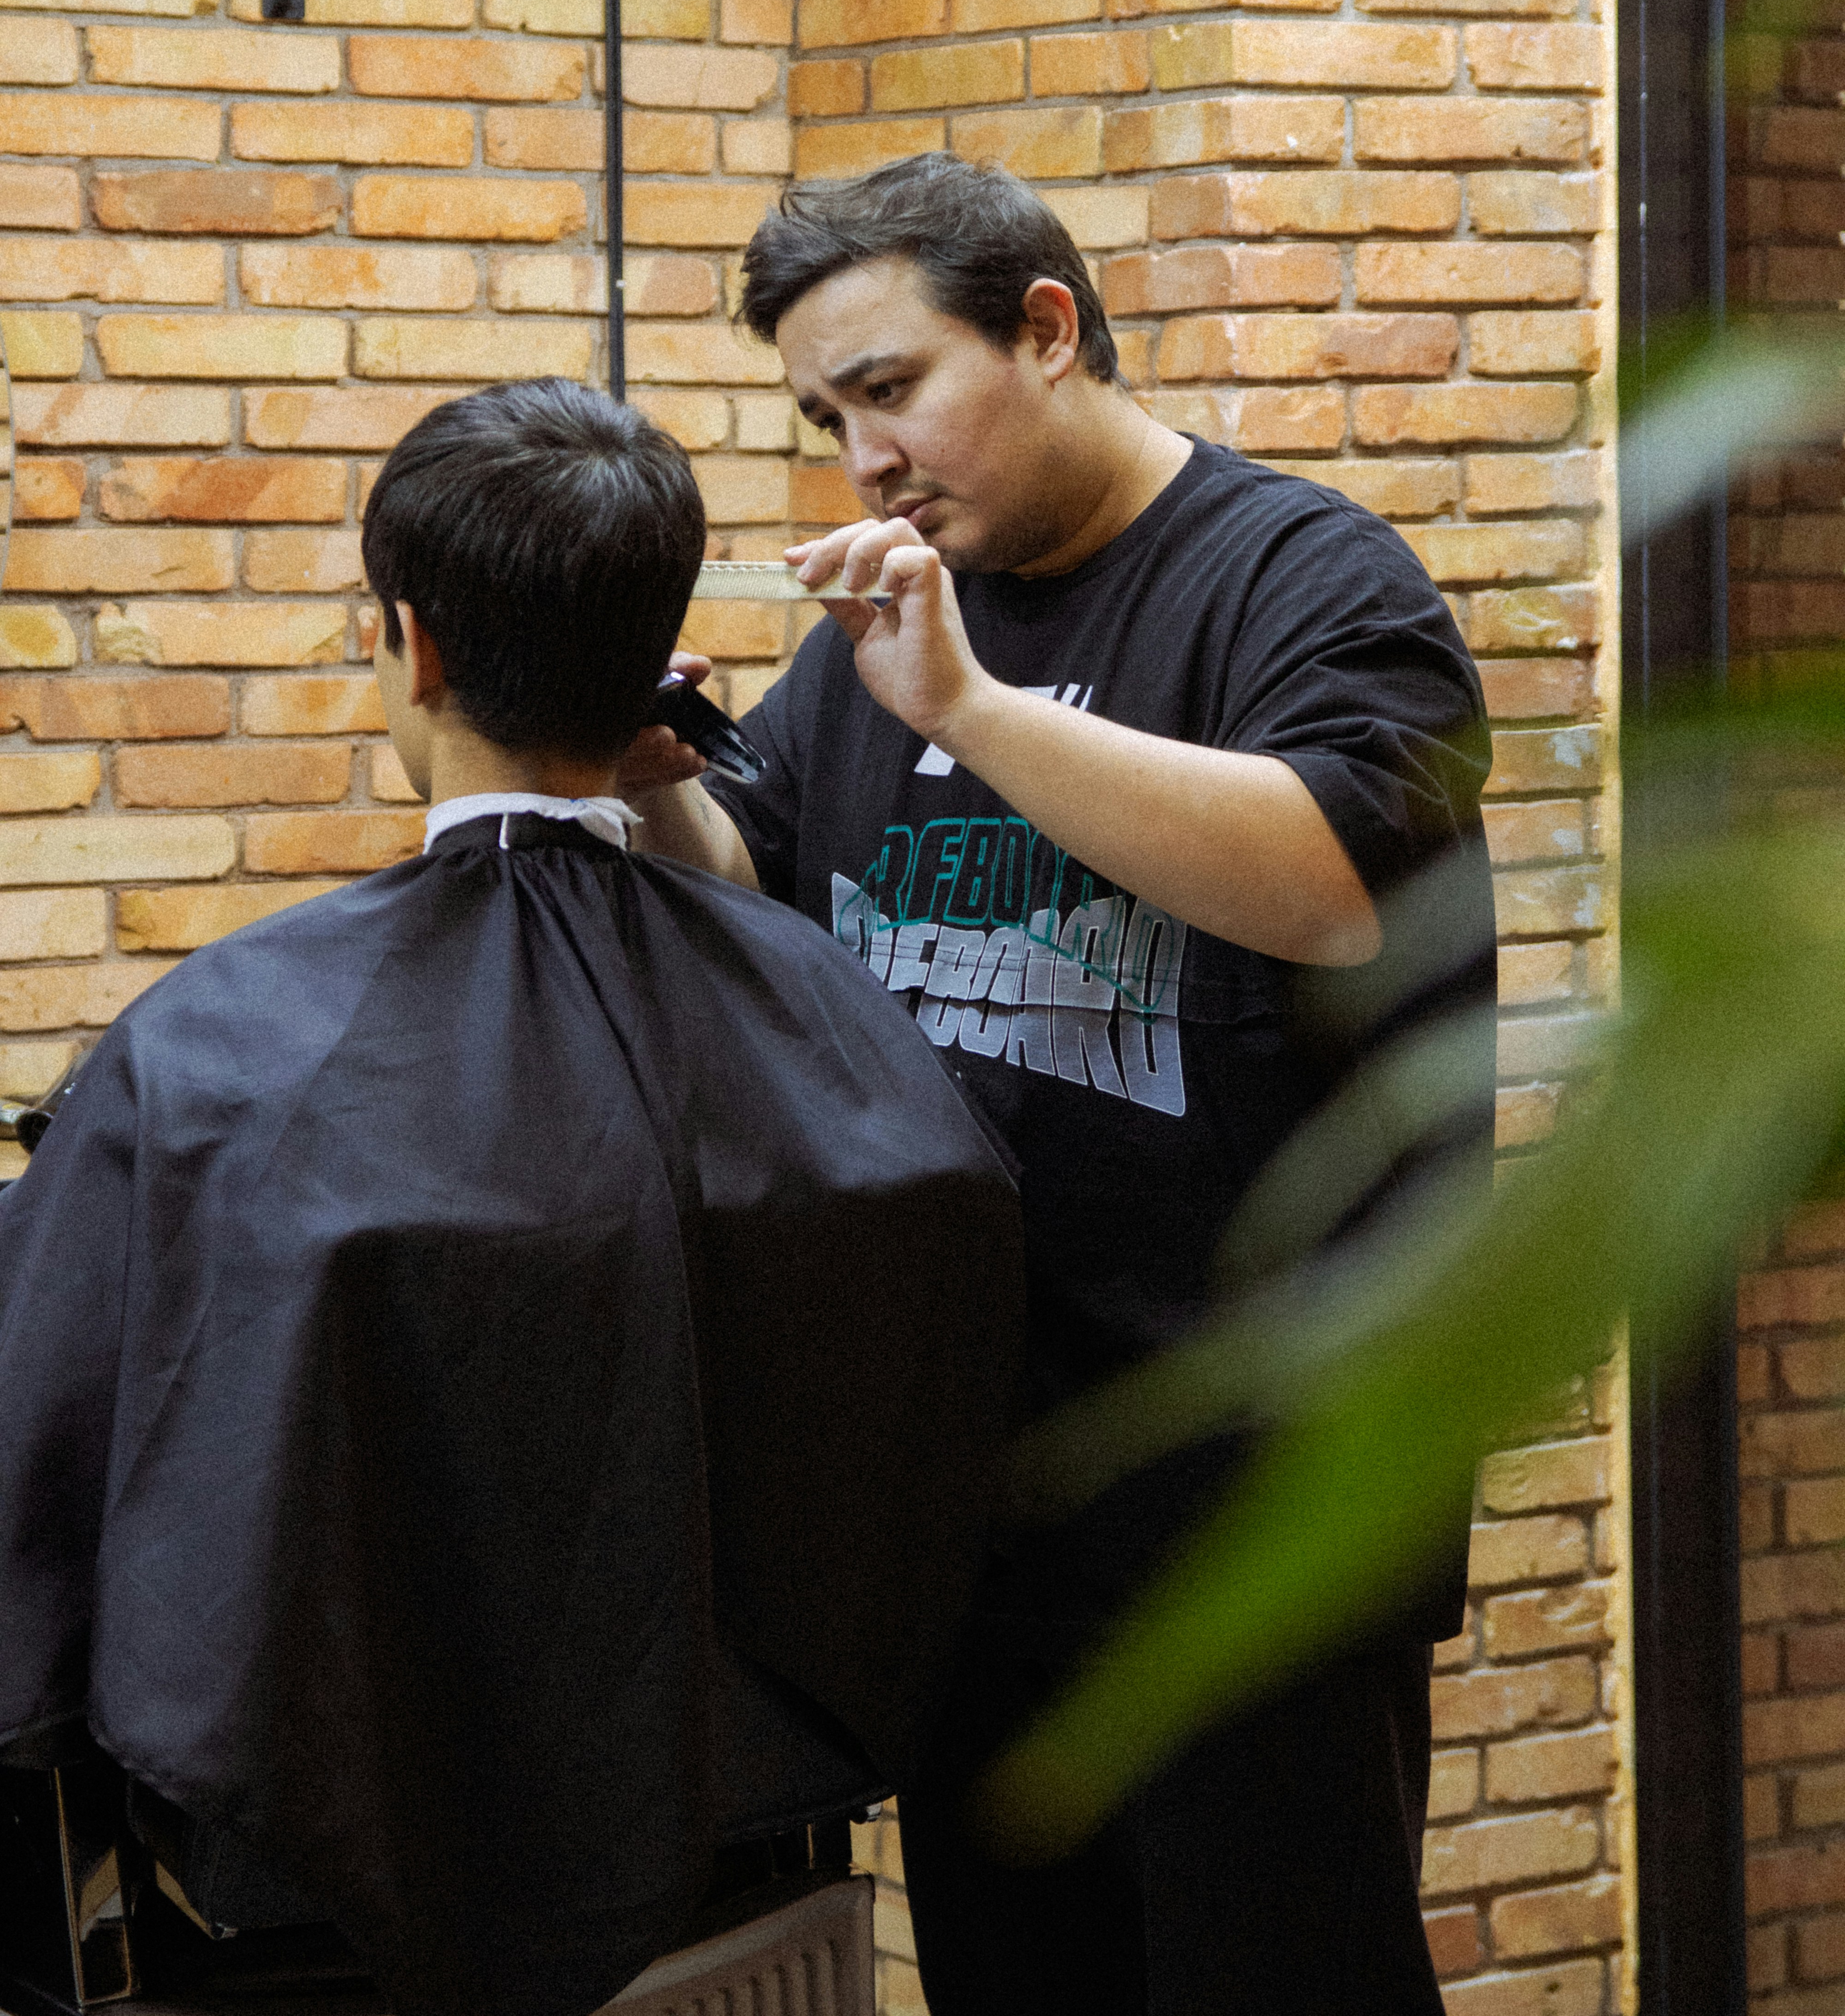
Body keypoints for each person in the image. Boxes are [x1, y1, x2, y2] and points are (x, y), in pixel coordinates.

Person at [0, 379, 1023, 2016]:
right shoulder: (838, 1029)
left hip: (318, 1917)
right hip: (760, 1870)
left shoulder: (218, 1051)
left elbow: (43, 1504)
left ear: (411, 644)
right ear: (656, 655)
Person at [620, 157, 1498, 2016]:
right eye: (823, 416)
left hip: (1251, 1515)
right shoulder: (891, 627)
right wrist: (651, 783)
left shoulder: (1302, 578)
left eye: (887, 388)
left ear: (1044, 327)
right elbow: (766, 884)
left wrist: (973, 714)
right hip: (980, 1492)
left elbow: (1339, 892)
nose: (861, 458)